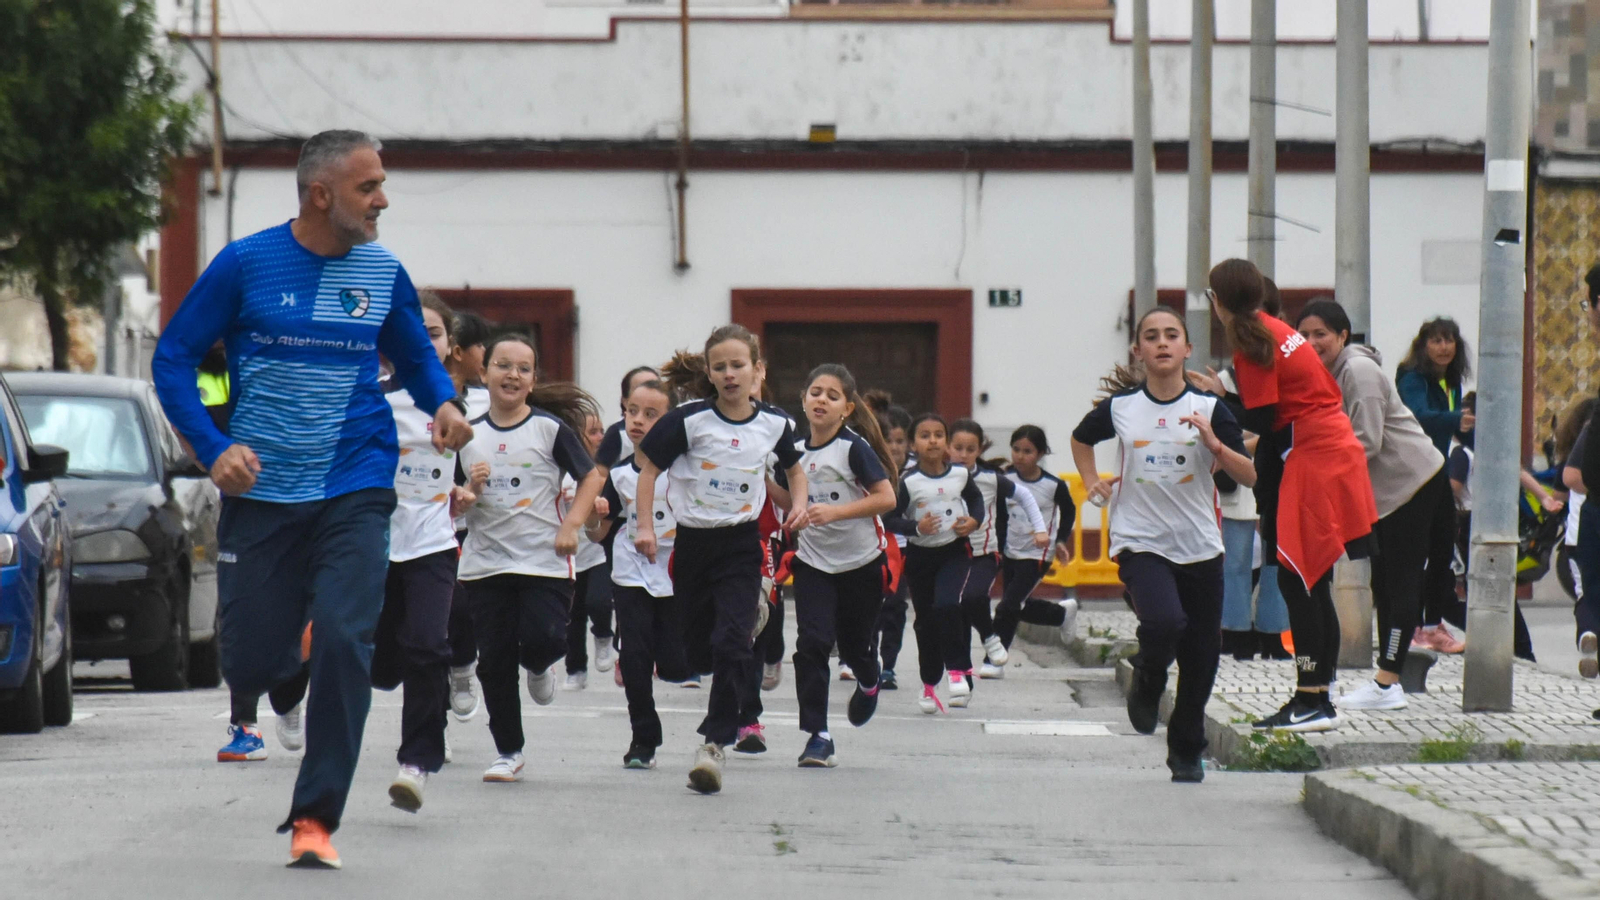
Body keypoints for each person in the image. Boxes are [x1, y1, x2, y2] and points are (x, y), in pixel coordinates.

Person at [151, 130, 472, 869]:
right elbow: (173, 358)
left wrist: (444, 406)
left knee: (344, 639)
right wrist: (213, 446)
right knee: (253, 658)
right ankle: (282, 663)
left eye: (382, 184)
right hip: (263, 490)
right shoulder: (247, 265)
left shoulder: (381, 270)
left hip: (354, 483)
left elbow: (417, 356)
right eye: (369, 187)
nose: (383, 199)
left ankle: (315, 817)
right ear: (321, 194)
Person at [1070, 307, 1255, 782]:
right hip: (1140, 540)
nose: (1162, 343)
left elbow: (1250, 475)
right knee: (1165, 621)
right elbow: (1081, 439)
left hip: (1200, 544)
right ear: (1139, 350)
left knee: (1200, 654)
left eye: (1172, 335)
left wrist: (1217, 447)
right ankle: (1148, 675)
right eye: (1151, 336)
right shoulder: (1123, 408)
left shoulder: (1212, 410)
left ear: (1187, 348)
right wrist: (1092, 483)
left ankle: (1186, 749)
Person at [1208, 258, 1377, 734]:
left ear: (1217, 301)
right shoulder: (1273, 327)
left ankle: (1310, 699)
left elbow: (1262, 419)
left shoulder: (1249, 340)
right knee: (1309, 580)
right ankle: (1316, 694)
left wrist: (1217, 400)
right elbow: (1273, 409)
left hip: (1313, 453)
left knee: (1297, 581)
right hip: (1326, 447)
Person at [637, 325, 806, 795]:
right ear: (709, 373)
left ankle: (714, 744)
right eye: (720, 367)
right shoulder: (689, 420)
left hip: (739, 544)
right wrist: (647, 527)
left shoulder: (774, 423)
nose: (730, 374)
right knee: (692, 653)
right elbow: (649, 470)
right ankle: (737, 630)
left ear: (757, 370)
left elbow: (795, 471)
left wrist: (799, 505)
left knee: (733, 643)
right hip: (692, 544)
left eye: (739, 365)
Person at [456, 333, 604, 783]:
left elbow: (591, 478)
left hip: (544, 560)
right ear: (485, 374)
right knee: (494, 659)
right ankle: (508, 750)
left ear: (534, 379)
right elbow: (452, 497)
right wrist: (468, 493)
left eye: (523, 368)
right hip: (485, 563)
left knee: (542, 639)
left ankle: (540, 665)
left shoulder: (548, 429)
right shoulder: (468, 433)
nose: (512, 374)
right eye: (503, 365)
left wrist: (571, 526)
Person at [1296, 298, 1452, 710]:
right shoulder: (1329, 373)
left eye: (1321, 335)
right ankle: (1387, 682)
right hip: (1385, 494)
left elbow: (1365, 441)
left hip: (1410, 484)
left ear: (1343, 336)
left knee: (1399, 581)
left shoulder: (1359, 372)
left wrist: (1313, 480)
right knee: (1383, 582)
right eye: (1304, 335)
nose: (1312, 343)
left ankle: (1387, 684)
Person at [764, 364, 898, 767]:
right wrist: (761, 480)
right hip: (813, 564)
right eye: (815, 392)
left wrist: (835, 513)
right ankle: (818, 736)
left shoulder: (853, 448)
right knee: (812, 644)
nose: (822, 399)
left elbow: (886, 498)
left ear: (847, 408)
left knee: (856, 649)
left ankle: (869, 678)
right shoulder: (794, 455)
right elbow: (791, 503)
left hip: (861, 563)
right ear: (803, 400)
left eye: (832, 395)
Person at [375, 292, 477, 811]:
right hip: (373, 543)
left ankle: (416, 762)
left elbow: (488, 463)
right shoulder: (370, 396)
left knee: (427, 645)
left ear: (450, 346)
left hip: (433, 544)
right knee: (382, 665)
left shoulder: (461, 407)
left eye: (433, 333)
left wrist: (465, 491)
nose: (422, 342)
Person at [588, 378, 685, 769]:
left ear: (670, 421)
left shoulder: (684, 470)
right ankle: (643, 737)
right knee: (635, 657)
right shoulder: (619, 475)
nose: (639, 421)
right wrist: (594, 518)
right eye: (632, 412)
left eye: (651, 414)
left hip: (677, 574)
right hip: (631, 574)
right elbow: (600, 535)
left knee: (676, 665)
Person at [883, 413, 985, 715]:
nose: (933, 441)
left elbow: (976, 502)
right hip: (920, 558)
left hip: (954, 552)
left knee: (947, 605)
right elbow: (890, 519)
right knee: (925, 623)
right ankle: (929, 683)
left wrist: (974, 521)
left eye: (939, 435)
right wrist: (916, 528)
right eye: (925, 435)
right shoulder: (908, 481)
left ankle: (957, 671)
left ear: (946, 442)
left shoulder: (960, 475)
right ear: (914, 444)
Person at [946, 418, 1048, 686]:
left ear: (979, 450)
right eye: (958, 448)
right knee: (955, 617)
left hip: (983, 555)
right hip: (948, 557)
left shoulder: (990, 479)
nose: (964, 455)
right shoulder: (937, 477)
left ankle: (991, 637)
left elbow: (1025, 496)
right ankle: (961, 678)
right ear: (948, 448)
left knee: (972, 598)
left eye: (971, 449)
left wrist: (1040, 529)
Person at [1447, 393, 1542, 663]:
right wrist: (1545, 499)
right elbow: (1520, 472)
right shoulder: (1490, 452)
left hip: (1466, 524)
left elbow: (1453, 489)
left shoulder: (1460, 454)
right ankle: (1521, 647)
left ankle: (1493, 636)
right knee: (1500, 590)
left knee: (1470, 590)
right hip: (1495, 521)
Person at [989, 425, 1079, 673]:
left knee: (1007, 607)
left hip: (1038, 554)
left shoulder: (1053, 485)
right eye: (1016, 449)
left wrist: (1060, 540)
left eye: (1027, 451)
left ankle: (995, 660)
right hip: (1010, 551)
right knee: (1016, 605)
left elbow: (1069, 511)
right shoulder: (1004, 480)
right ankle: (1061, 614)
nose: (1020, 455)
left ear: (1040, 454)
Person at [563, 411, 617, 689]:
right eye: (593, 431)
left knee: (598, 601)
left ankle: (604, 635)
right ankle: (576, 670)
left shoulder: (604, 473)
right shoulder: (563, 472)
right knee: (572, 617)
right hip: (567, 558)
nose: (600, 437)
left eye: (602, 430)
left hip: (596, 553)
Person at [867, 397, 914, 690]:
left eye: (900, 441)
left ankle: (889, 665)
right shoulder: (868, 467)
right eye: (888, 440)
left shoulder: (918, 473)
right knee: (870, 607)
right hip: (871, 547)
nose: (894, 447)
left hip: (904, 550)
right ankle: (866, 659)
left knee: (895, 608)